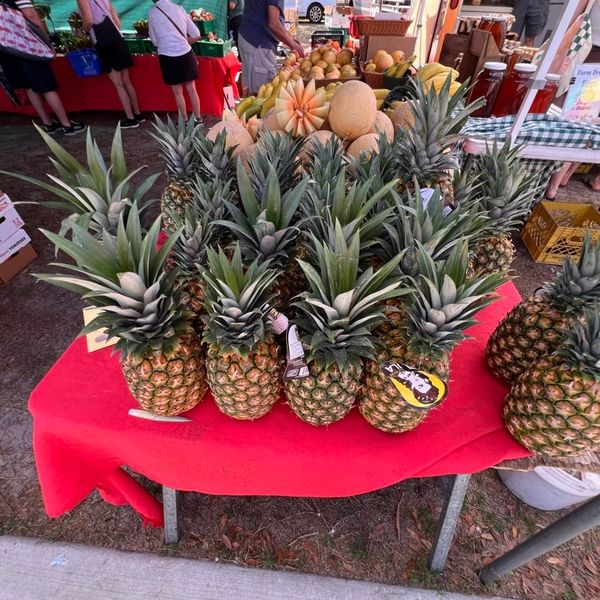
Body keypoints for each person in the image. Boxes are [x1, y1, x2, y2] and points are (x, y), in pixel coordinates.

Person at [0, 0, 85, 135]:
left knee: (28, 86)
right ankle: (66, 125)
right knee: (47, 86)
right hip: (28, 46)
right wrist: (46, 40)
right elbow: (31, 15)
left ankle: (48, 124)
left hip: (6, 49)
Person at [76, 0, 143, 128]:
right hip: (117, 37)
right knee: (126, 81)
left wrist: (82, 32)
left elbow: (89, 20)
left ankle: (130, 119)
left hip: (103, 41)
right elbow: (116, 20)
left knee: (118, 83)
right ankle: (137, 114)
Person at [148, 0, 202, 122]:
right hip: (186, 53)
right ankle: (198, 119)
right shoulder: (179, 8)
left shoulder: (152, 13)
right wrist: (182, 43)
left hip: (167, 55)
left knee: (177, 92)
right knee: (192, 89)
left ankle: (184, 122)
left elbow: (154, 40)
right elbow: (196, 34)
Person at [238, 0, 304, 94]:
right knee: (260, 95)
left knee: (250, 90)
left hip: (249, 38)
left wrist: (289, 39)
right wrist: (293, 45)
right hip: (258, 44)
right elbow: (273, 23)